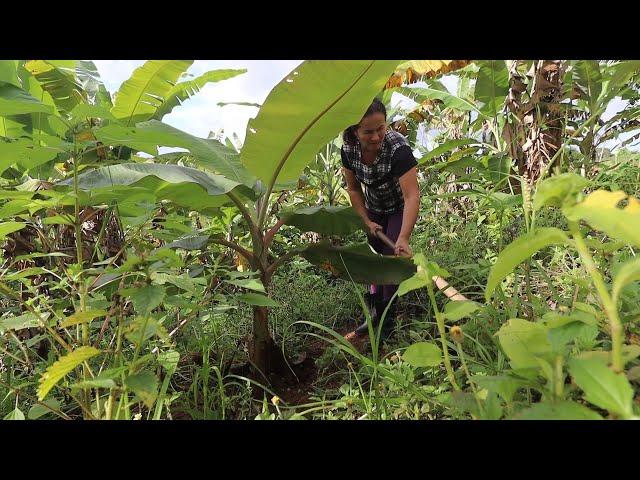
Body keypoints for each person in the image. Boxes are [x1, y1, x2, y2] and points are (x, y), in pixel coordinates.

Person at [341, 98, 419, 341]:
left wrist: (404, 237)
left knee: (391, 256)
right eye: (368, 132)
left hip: (398, 207)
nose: (376, 137)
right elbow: (353, 189)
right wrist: (365, 220)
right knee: (372, 258)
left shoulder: (398, 149)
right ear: (355, 131)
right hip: (373, 207)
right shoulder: (349, 150)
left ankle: (387, 322)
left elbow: (412, 195)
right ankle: (373, 315)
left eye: (381, 128)